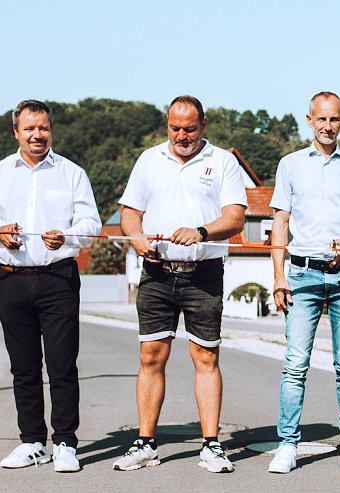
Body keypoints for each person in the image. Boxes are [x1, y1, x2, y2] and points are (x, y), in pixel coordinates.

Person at [114, 95, 247, 473]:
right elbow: (129, 214)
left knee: (206, 357)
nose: (182, 135)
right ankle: (145, 443)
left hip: (203, 275)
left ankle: (211, 445)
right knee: (150, 357)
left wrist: (202, 231)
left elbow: (236, 217)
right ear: (166, 125)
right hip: (156, 274)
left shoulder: (222, 161)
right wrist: (137, 240)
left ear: (203, 124)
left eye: (189, 128)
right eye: (175, 128)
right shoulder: (149, 160)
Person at [0, 99, 102, 472]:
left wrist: (68, 237)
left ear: (51, 130)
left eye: (43, 128)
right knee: (23, 367)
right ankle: (31, 442)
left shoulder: (72, 172)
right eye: (29, 129)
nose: (37, 135)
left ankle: (65, 443)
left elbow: (91, 223)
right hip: (11, 280)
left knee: (62, 364)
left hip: (58, 278)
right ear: (16, 132)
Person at [267, 91, 340, 475]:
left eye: (335, 120)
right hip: (302, 273)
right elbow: (280, 222)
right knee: (295, 364)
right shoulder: (291, 165)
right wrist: (279, 277)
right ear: (309, 120)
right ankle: (287, 444)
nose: (328, 126)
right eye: (321, 119)